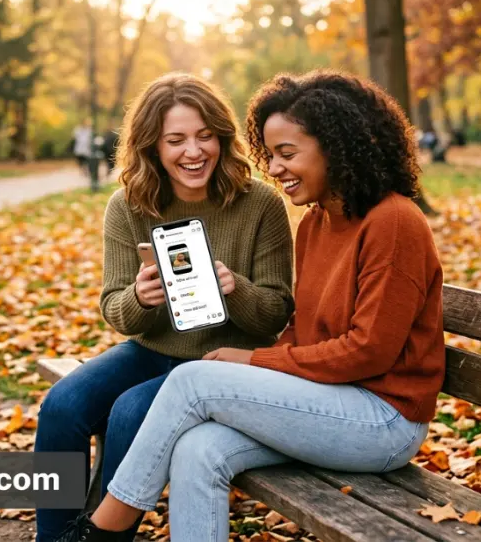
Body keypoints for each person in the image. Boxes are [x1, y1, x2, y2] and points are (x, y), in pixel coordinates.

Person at [53, 69, 445, 542]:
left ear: (335, 149)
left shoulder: (395, 222)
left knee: (191, 380)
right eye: (270, 154)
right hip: (325, 400)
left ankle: (100, 531)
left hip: (384, 420)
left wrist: (255, 358)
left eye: (286, 154)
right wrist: (144, 298)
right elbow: (303, 329)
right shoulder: (318, 222)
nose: (274, 168)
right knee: (197, 450)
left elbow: (370, 352)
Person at [34, 72, 296, 542]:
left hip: (221, 365)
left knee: (130, 413)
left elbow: (275, 312)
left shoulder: (261, 204)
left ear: (222, 136)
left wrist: (235, 289)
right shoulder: (128, 205)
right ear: (152, 146)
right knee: (62, 406)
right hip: (151, 350)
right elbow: (114, 308)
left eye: (204, 136)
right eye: (175, 140)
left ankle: (102, 537)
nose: (193, 152)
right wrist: (141, 298)